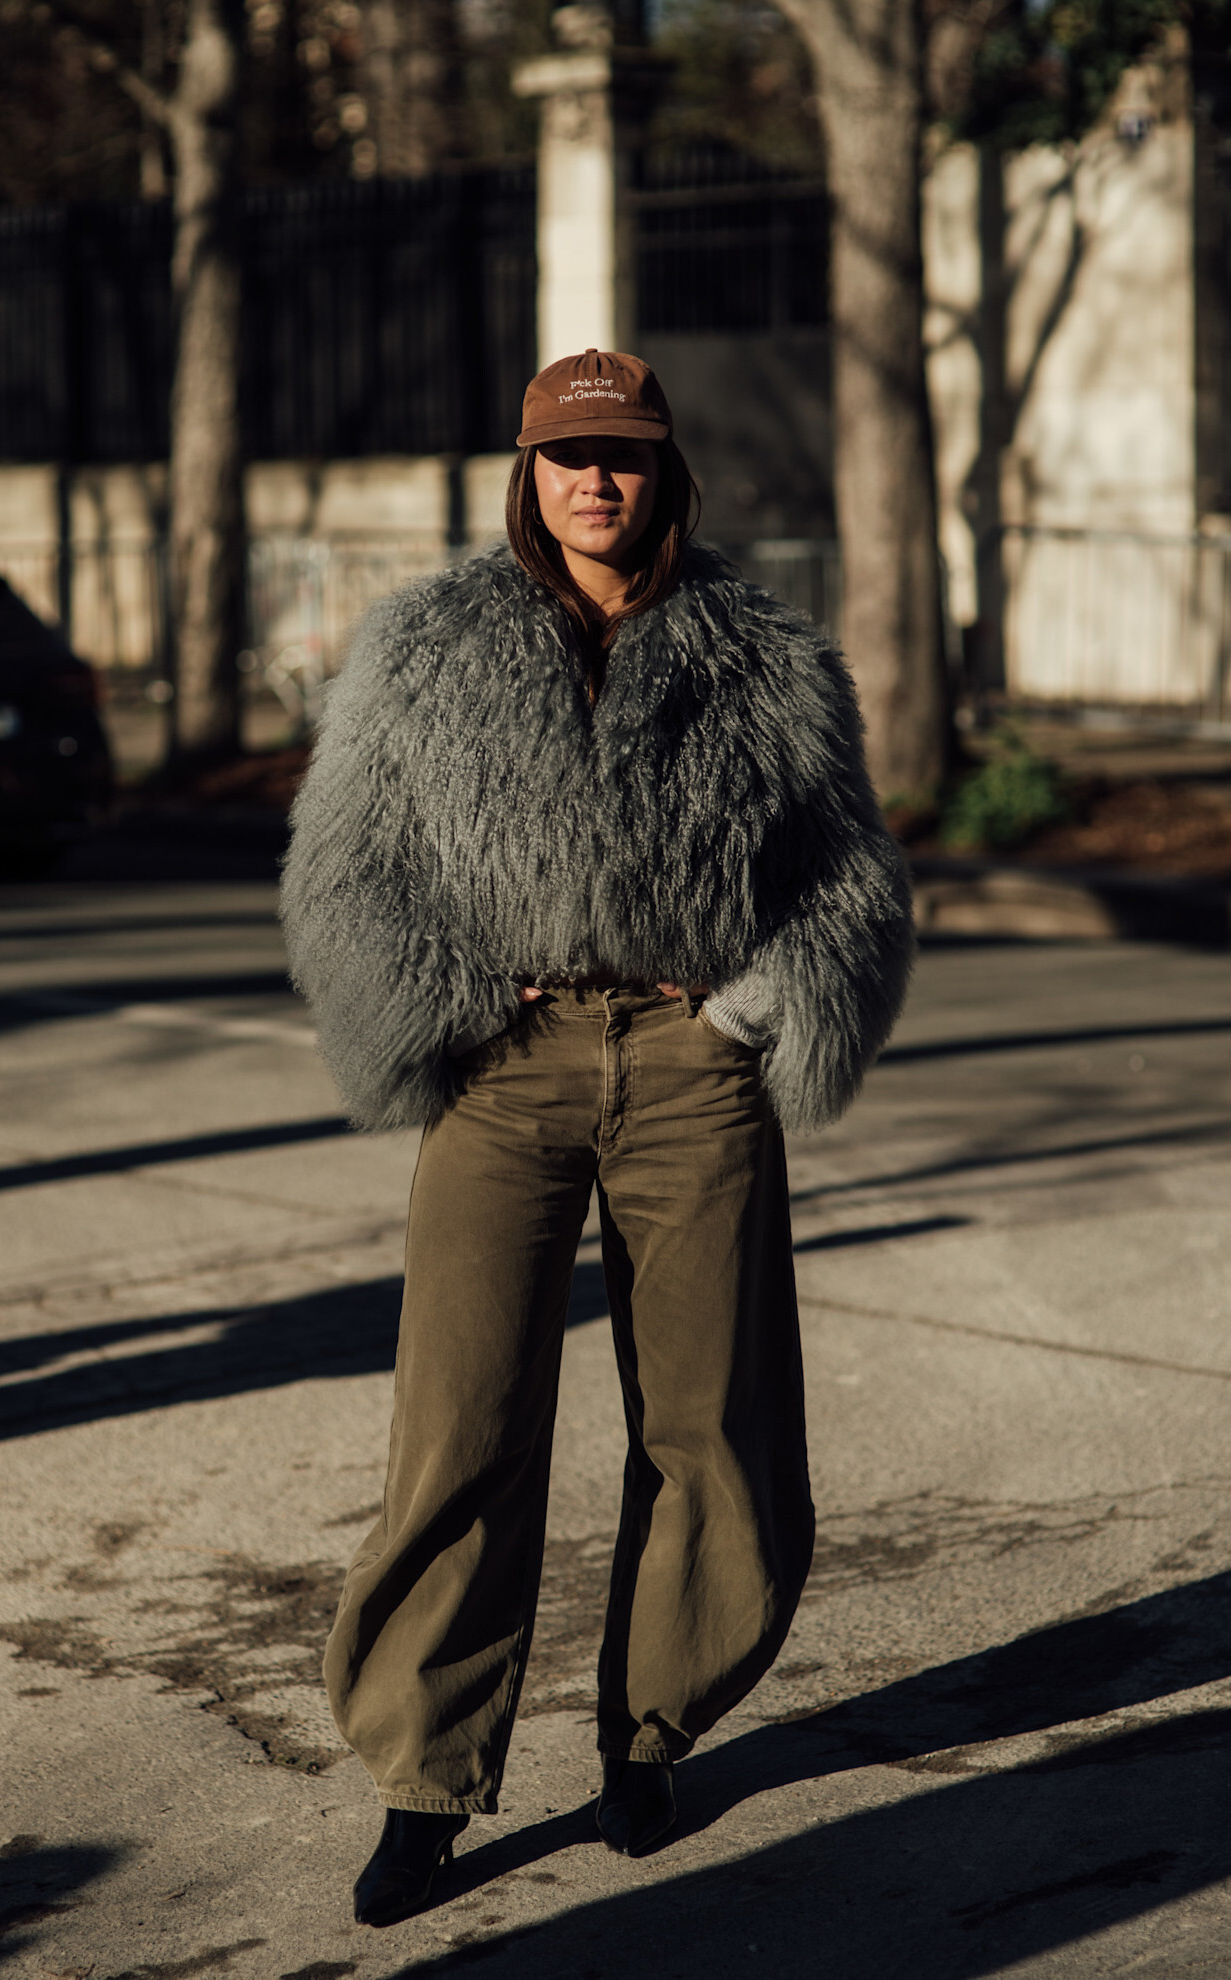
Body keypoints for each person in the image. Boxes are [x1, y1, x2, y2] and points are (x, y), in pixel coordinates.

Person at [280, 348, 913, 1927]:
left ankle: (648, 1733)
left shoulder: (764, 655)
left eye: (622, 453)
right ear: (530, 472)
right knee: (463, 1425)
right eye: (568, 457)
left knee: (711, 1423)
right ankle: (426, 1780)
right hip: (507, 1064)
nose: (595, 482)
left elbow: (849, 869)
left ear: (664, 467)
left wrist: (758, 1008)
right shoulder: (425, 646)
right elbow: (347, 866)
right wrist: (447, 1009)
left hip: (697, 1067)